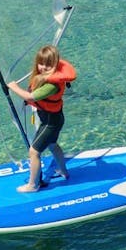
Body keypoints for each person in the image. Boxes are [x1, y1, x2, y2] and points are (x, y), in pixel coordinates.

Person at [7, 45, 76, 193]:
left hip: (50, 122)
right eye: (41, 63)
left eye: (48, 65)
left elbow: (30, 96)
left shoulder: (52, 85)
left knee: (34, 151)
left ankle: (33, 185)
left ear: (55, 65)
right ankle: (63, 171)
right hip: (53, 119)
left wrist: (13, 87)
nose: (43, 67)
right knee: (52, 145)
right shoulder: (46, 79)